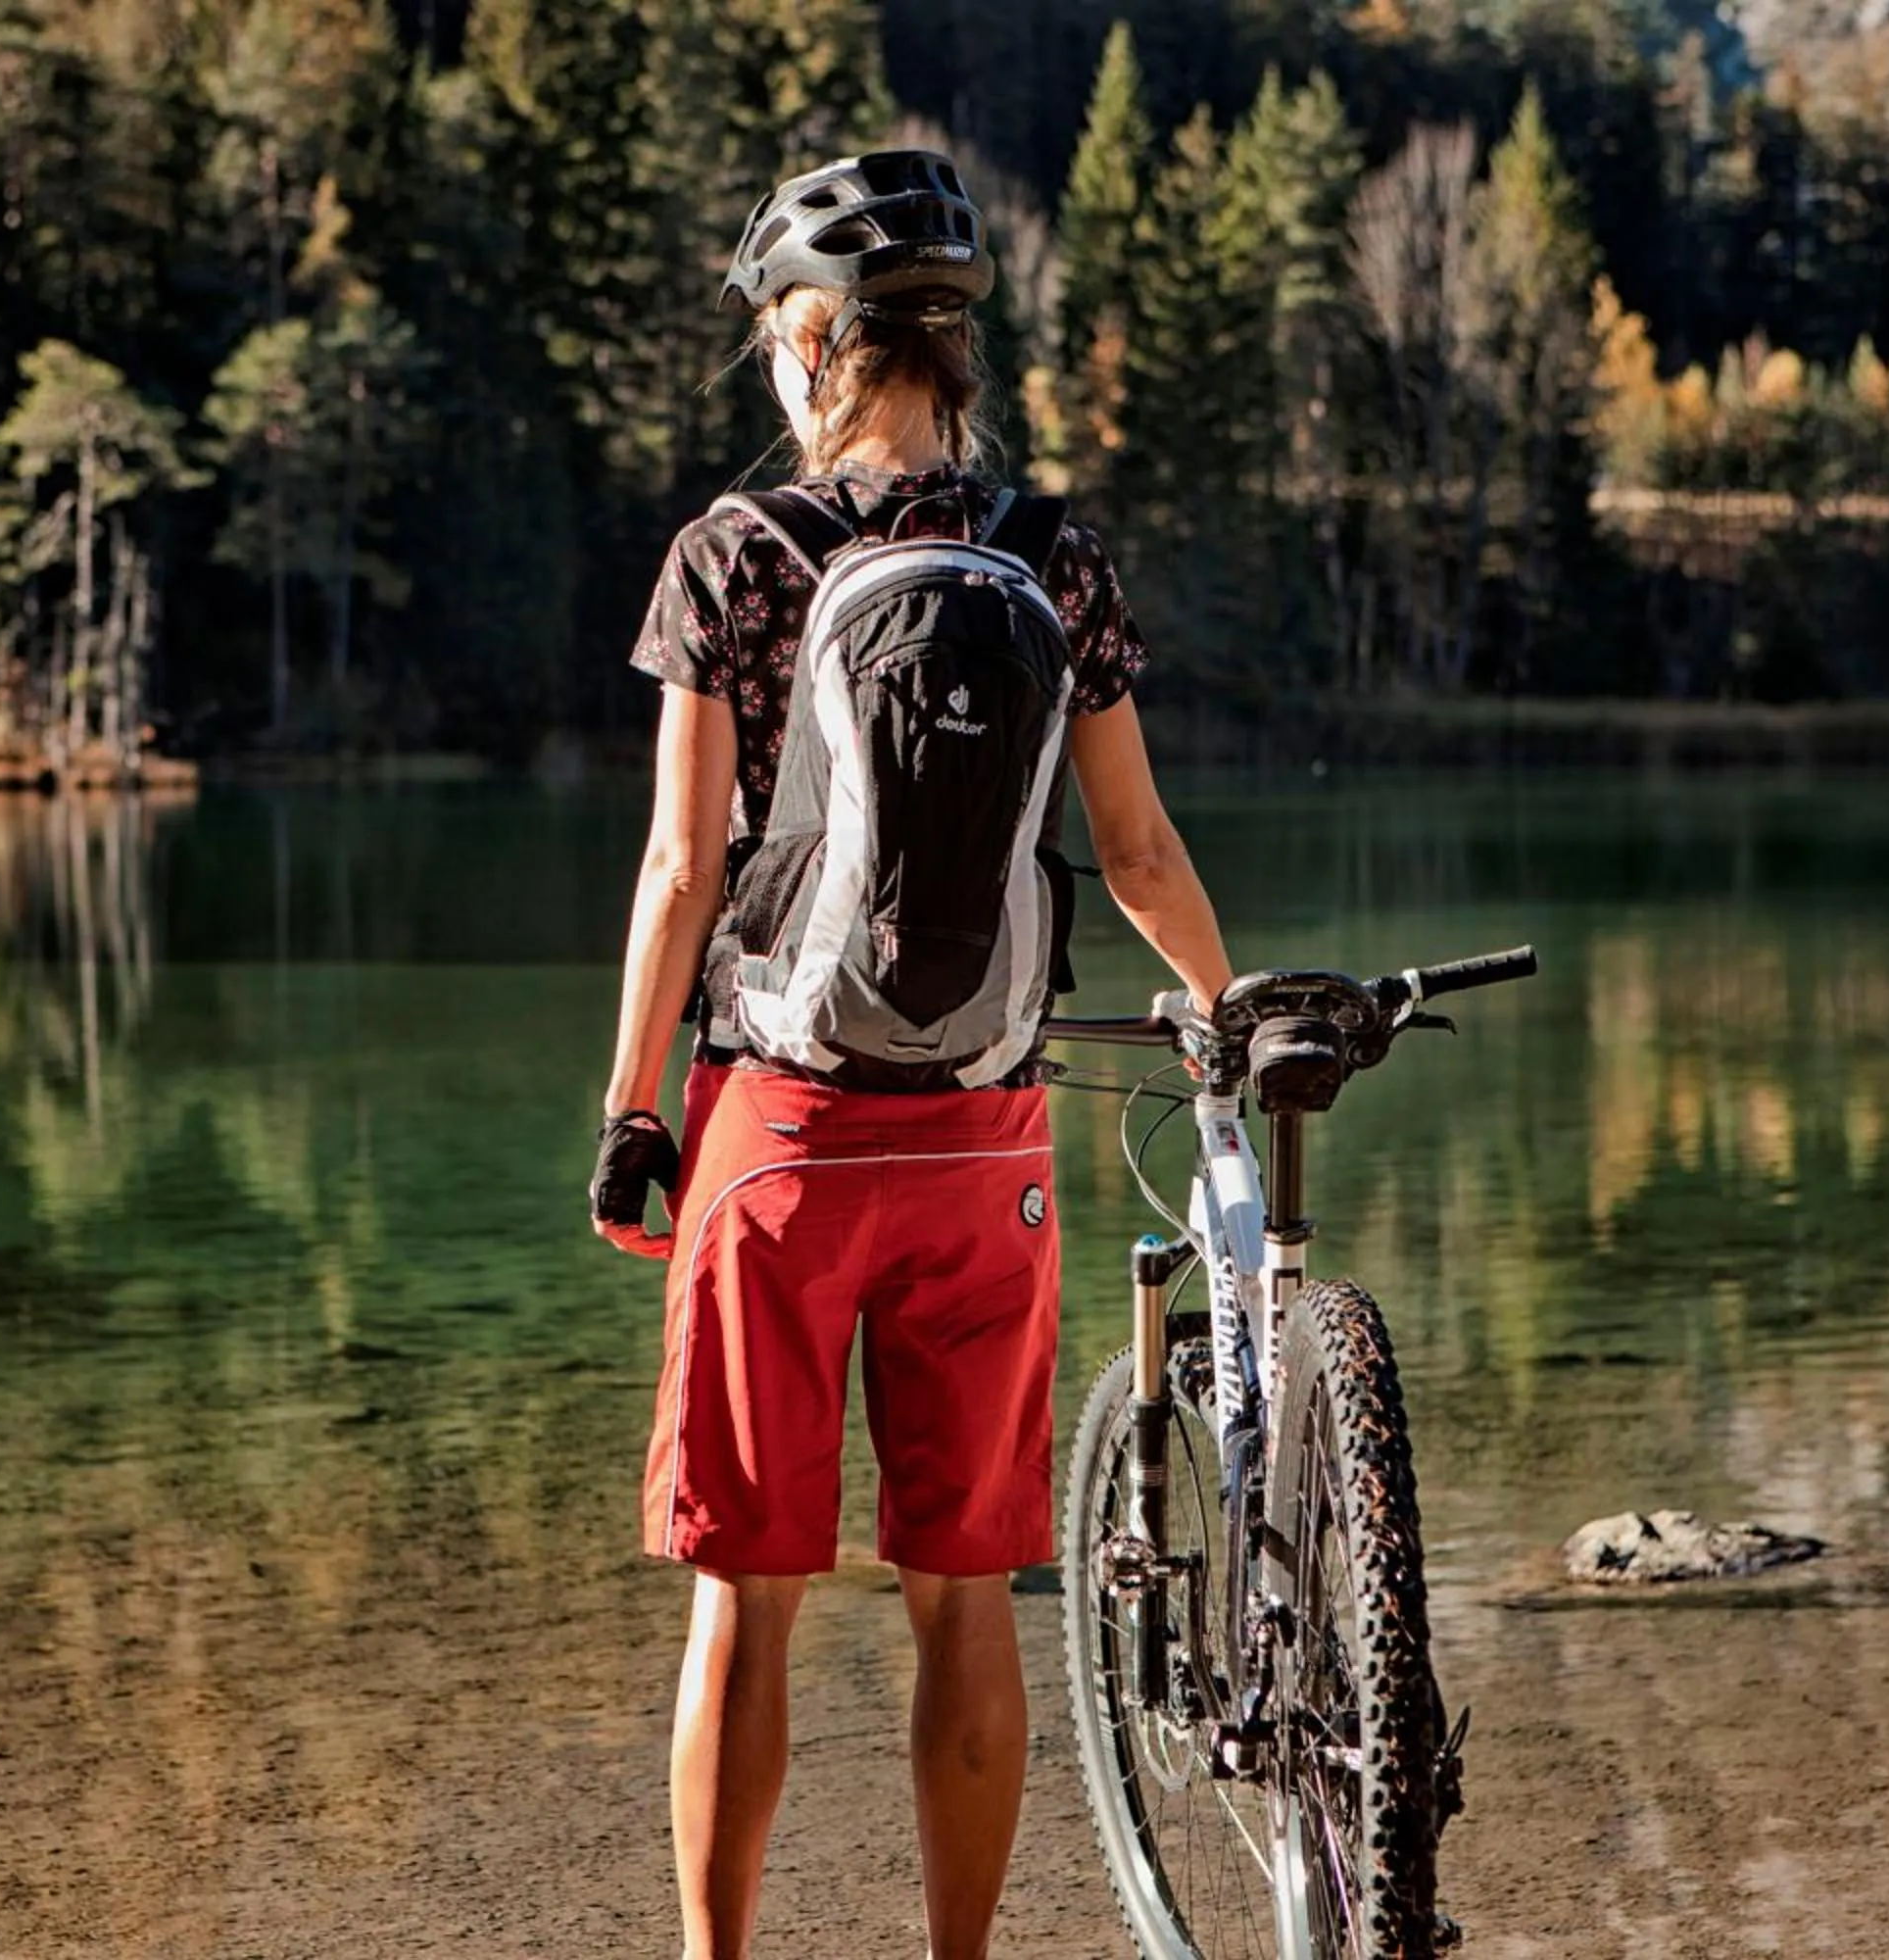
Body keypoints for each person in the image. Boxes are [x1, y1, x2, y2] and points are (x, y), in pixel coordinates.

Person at [587, 150, 1234, 1960]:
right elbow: (1138, 854)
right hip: (983, 1145)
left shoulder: (736, 555)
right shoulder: (1054, 557)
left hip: (781, 1141)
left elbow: (680, 869)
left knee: (749, 1605)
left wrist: (636, 1110)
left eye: (774, 344)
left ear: (812, 342)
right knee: (965, 1605)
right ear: (953, 348)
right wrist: (1226, 1012)